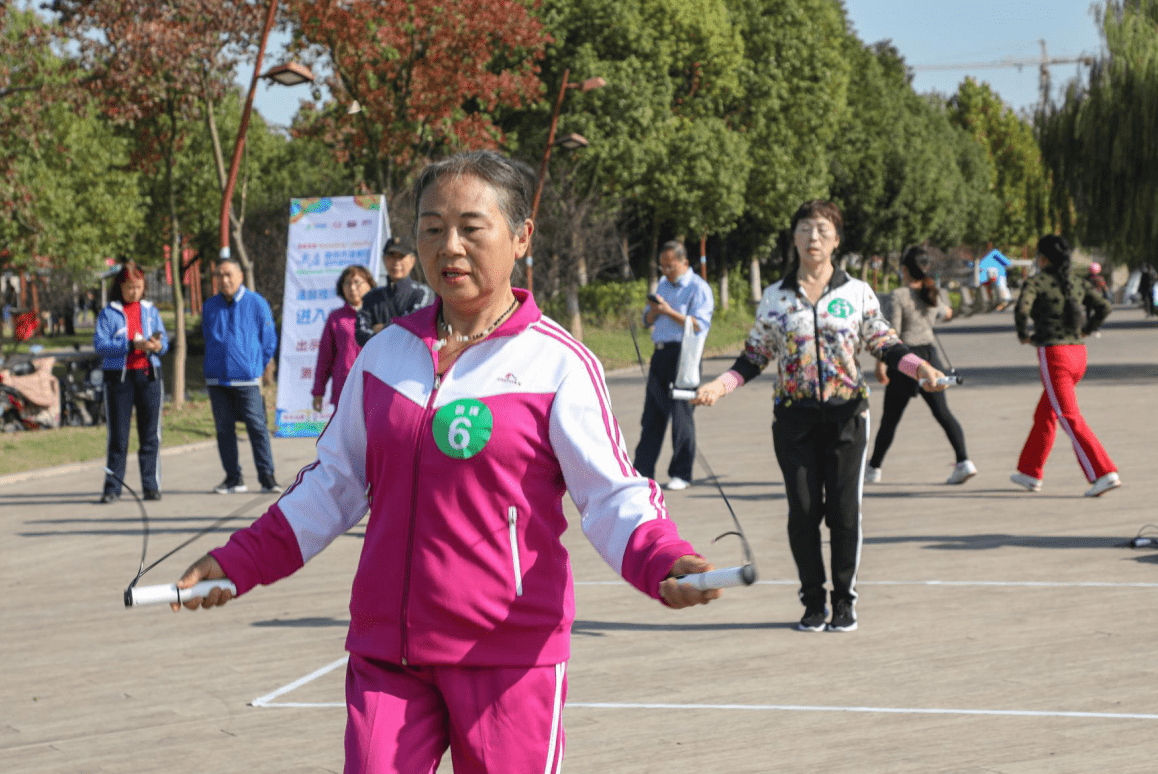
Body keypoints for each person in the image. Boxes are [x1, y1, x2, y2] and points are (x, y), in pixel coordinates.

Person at [172, 150, 719, 774]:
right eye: (432, 229)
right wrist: (235, 562)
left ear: (520, 237)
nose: (448, 246)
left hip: (507, 655)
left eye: (470, 228)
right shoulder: (384, 357)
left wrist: (663, 559)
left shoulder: (559, 365)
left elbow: (612, 496)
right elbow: (330, 488)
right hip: (388, 651)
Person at [693, 200, 947, 633]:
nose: (814, 238)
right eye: (806, 229)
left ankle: (844, 600)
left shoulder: (858, 293)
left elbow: (884, 343)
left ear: (836, 241)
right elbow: (755, 356)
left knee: (845, 513)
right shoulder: (776, 297)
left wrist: (919, 368)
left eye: (823, 231)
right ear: (793, 237)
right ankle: (813, 602)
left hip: (847, 416)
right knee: (804, 512)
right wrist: (721, 385)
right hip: (794, 420)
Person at [1011, 235, 1119, 497]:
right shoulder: (1078, 282)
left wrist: (1024, 334)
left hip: (1054, 356)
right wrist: (1087, 329)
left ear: (1043, 258)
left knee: (1068, 416)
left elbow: (1021, 310)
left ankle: (1103, 473)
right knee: (1046, 413)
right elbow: (1104, 307)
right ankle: (1029, 471)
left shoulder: (1037, 282)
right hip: (1078, 354)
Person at [865, 246, 975, 485]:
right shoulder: (932, 292)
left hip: (906, 360)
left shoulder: (899, 295)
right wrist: (945, 311)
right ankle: (964, 461)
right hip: (931, 357)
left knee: (891, 418)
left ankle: (873, 468)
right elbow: (946, 312)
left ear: (904, 269)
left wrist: (880, 364)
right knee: (943, 413)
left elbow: (889, 333)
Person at [632, 241, 714, 491]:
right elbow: (648, 319)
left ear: (685, 263)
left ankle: (681, 472)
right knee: (652, 416)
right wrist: (654, 312)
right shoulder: (662, 285)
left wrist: (669, 312)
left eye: (671, 266)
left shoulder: (698, 288)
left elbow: (700, 324)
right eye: (663, 266)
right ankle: (642, 473)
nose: (666, 270)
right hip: (661, 354)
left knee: (681, 415)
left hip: (685, 354)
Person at [202, 257, 280, 495]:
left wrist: (255, 365)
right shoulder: (210, 305)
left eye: (229, 274)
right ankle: (233, 478)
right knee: (224, 430)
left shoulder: (256, 303)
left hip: (246, 380)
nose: (224, 280)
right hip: (217, 379)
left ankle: (267, 478)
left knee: (257, 428)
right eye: (220, 275)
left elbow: (268, 341)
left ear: (240, 276)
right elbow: (208, 336)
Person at [92, 262, 168, 503]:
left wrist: (157, 345)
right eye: (128, 287)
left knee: (150, 435)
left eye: (138, 286)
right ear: (120, 287)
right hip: (119, 379)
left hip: (148, 376)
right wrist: (128, 346)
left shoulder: (150, 310)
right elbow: (100, 344)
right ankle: (112, 488)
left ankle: (151, 485)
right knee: (118, 437)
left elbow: (163, 339)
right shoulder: (109, 312)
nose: (133, 291)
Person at [312, 264, 375, 413]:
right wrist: (318, 392)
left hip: (374, 386)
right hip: (345, 387)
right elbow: (325, 358)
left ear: (370, 284)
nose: (352, 288)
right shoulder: (336, 318)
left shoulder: (379, 314)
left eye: (357, 282)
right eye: (347, 283)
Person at [353, 236, 435, 346]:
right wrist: (395, 329)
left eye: (401, 256)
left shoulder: (423, 293)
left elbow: (414, 324)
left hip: (411, 360)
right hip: (380, 361)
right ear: (384, 259)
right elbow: (360, 334)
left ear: (412, 260)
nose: (396, 262)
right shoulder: (371, 297)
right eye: (391, 256)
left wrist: (381, 328)